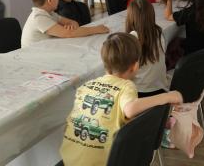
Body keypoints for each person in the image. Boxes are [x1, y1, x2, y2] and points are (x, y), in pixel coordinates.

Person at [59, 33, 183, 166]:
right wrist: (167, 96)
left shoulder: (87, 86)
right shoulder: (126, 86)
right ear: (135, 66)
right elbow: (130, 109)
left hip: (69, 160)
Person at [21, 0, 108, 47]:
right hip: (31, 56)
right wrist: (97, 29)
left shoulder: (50, 13)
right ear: (50, 0)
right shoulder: (38, 17)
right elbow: (68, 33)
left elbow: (74, 23)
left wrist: (71, 26)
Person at [126, 0, 168, 96]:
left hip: (140, 92)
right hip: (161, 88)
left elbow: (126, 72)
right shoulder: (158, 32)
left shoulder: (133, 37)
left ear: (130, 16)